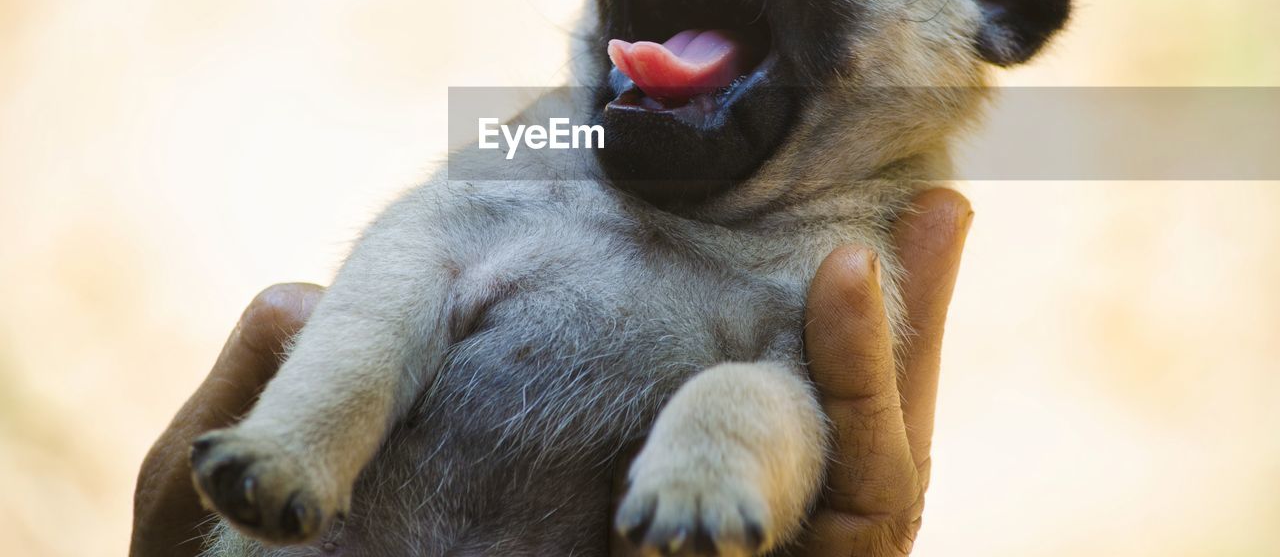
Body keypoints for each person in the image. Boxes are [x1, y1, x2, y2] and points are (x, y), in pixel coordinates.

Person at [131, 189, 972, 557]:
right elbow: (413, 269)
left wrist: (726, 451)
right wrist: (308, 436)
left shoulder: (836, 233)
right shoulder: (541, 143)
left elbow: (788, 403)